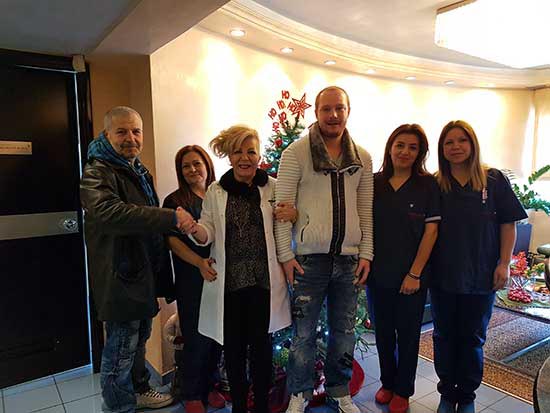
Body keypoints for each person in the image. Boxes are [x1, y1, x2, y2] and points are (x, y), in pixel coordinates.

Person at [178, 125, 293, 413]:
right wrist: (193, 229)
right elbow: (207, 231)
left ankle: (262, 406)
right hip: (230, 286)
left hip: (264, 285)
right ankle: (240, 406)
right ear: (229, 157)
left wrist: (293, 214)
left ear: (259, 155)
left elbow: (286, 226)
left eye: (251, 151)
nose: (245, 158)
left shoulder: (273, 186)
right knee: (234, 353)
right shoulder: (216, 191)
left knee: (262, 352)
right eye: (238, 151)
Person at [274, 86, 374, 413]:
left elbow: (365, 209)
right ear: (316, 113)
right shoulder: (295, 154)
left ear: (348, 111)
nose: (333, 115)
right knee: (303, 335)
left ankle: (339, 391)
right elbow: (281, 209)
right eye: (326, 109)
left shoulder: (362, 158)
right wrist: (286, 256)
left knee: (344, 332)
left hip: (348, 261)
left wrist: (366, 254)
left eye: (339, 108)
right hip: (308, 262)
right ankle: (299, 394)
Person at [81, 106, 187, 413]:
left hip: (140, 273)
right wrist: (171, 217)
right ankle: (118, 407)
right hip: (119, 276)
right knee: (120, 348)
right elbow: (109, 213)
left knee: (139, 337)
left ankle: (139, 390)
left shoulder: (135, 169)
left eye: (136, 131)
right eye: (122, 132)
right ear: (106, 134)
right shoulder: (97, 172)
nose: (131, 138)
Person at [430, 120, 527, 413]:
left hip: (482, 274)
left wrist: (504, 263)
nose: (456, 147)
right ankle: (447, 393)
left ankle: (467, 396)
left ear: (472, 144)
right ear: (442, 149)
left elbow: (508, 224)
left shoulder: (493, 180)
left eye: (462, 140)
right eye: (449, 142)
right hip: (443, 274)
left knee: (472, 338)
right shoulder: (435, 184)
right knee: (444, 336)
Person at [367, 124, 440, 413]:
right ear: (390, 148)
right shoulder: (374, 183)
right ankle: (387, 382)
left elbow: (431, 232)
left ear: (420, 153)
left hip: (412, 276)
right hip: (378, 274)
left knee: (408, 336)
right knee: (383, 333)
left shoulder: (427, 185)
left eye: (412, 147)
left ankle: (403, 390)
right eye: (400, 145)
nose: (405, 152)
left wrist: (414, 274)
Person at [162, 145, 225, 413]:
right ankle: (192, 394)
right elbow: (172, 242)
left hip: (220, 276)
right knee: (196, 337)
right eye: (185, 166)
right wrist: (199, 262)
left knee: (217, 336)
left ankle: (210, 386)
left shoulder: (219, 194)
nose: (192, 170)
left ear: (207, 165)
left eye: (196, 163)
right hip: (192, 278)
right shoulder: (174, 201)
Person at [162, 312, 184, 399]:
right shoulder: (175, 318)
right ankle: (179, 389)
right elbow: (166, 333)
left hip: (193, 349)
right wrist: (174, 339)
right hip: (180, 350)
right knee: (180, 370)